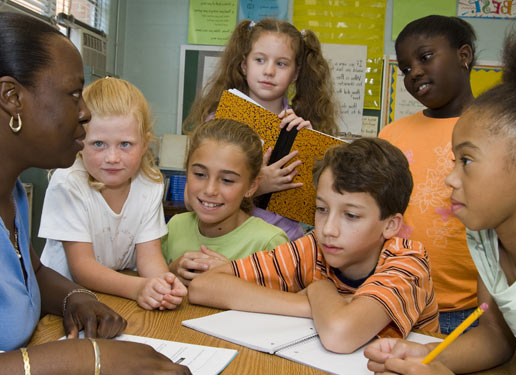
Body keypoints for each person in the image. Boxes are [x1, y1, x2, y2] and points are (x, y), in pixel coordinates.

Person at [0, 12, 190, 374]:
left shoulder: (5, 188)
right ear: (12, 97)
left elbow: (29, 272)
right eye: (73, 94)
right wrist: (75, 359)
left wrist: (76, 297)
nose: (85, 113)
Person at [365, 20, 516, 375]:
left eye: (466, 160)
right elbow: (496, 337)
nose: (451, 178)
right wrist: (427, 358)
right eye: (454, 161)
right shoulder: (483, 236)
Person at [189, 138, 440, 353]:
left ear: (391, 225)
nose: (328, 229)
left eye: (351, 215)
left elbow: (340, 335)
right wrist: (313, 306)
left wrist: (319, 287)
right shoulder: (314, 247)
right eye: (322, 209)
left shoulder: (407, 262)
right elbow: (203, 286)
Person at [184, 18, 339, 241]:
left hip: (283, 245)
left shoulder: (304, 126)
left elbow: (321, 205)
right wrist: (256, 186)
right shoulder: (217, 123)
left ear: (296, 73)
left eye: (281, 64)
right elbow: (191, 200)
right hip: (227, 243)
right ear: (244, 65)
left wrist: (311, 149)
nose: (269, 71)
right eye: (260, 59)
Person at [39, 77, 186, 311]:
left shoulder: (149, 184)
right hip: (64, 300)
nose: (113, 158)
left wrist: (162, 284)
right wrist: (139, 288)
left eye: (125, 144)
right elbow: (83, 267)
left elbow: (149, 258)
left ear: (145, 143)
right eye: (99, 144)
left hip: (114, 295)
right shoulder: (68, 183)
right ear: (80, 141)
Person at [378, 15, 478, 334]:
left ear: (464, 56)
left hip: (467, 310)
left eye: (425, 57)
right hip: (394, 301)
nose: (415, 72)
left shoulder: (495, 131)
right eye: (406, 68)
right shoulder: (392, 134)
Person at [162, 118, 289, 285]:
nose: (209, 190)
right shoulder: (175, 226)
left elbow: (283, 303)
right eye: (200, 174)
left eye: (227, 180)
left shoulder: (269, 242)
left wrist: (236, 276)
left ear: (251, 186)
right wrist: (170, 272)